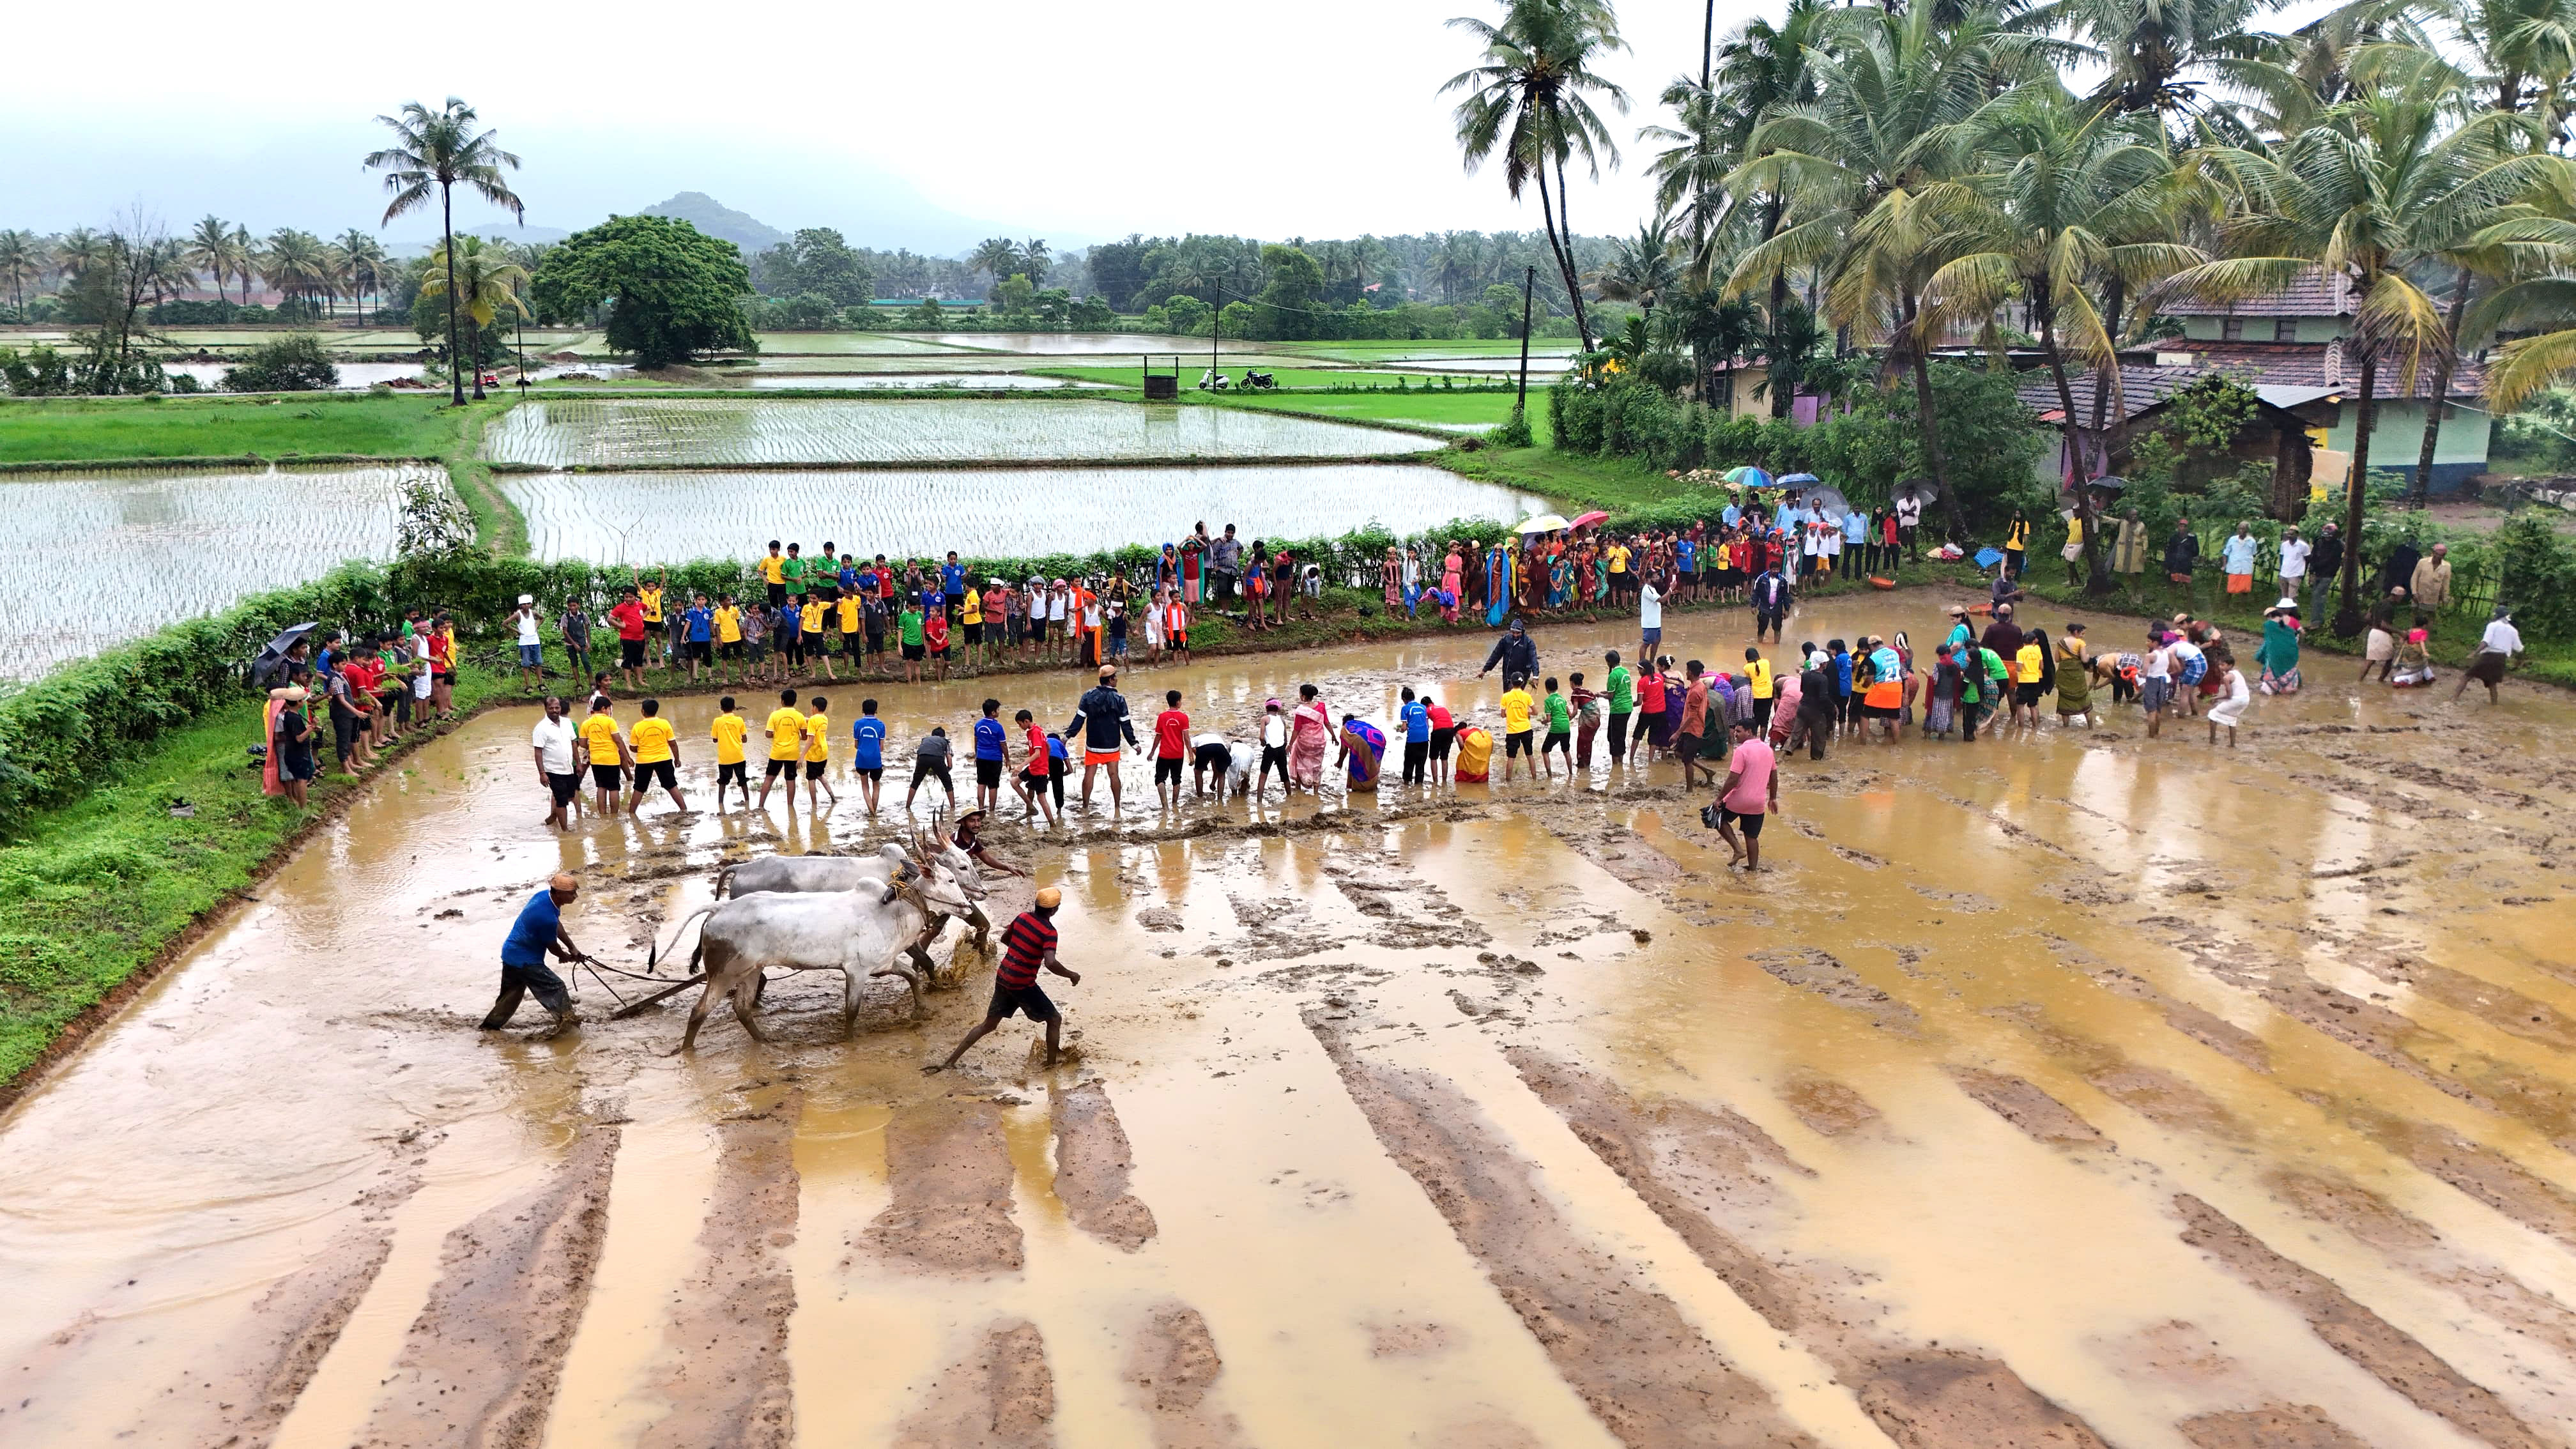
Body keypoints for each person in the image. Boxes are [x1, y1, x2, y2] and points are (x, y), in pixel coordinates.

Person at [926, 887, 1080, 1073]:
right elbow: (1050, 962)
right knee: (1055, 1019)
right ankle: (1051, 1065)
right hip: (1022, 984)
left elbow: (1005, 939)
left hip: (1004, 977)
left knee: (988, 1025)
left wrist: (1020, 951)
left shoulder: (1022, 917)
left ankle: (950, 1061)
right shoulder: (1049, 932)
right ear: (1055, 910)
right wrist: (1071, 975)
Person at [482, 873, 591, 1037]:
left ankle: (490, 1027)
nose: (575, 896)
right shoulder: (545, 917)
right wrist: (564, 956)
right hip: (526, 960)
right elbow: (553, 947)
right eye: (572, 893)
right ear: (559, 893)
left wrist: (572, 948)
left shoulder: (544, 898)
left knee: (512, 994)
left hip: (511, 953)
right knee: (556, 987)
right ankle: (569, 1026)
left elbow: (556, 924)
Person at [1066, 666, 1140, 813]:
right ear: (1111, 680)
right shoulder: (1119, 699)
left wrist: (1067, 736)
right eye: (1116, 677)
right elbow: (1125, 724)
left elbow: (1079, 719)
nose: (1117, 679)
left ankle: (1085, 806)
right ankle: (1117, 807)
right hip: (1112, 745)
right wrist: (1134, 744)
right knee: (1114, 775)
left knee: (1089, 774)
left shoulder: (1088, 696)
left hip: (1093, 744)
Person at [1712, 719, 1779, 870]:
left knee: (1715, 817)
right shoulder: (1768, 750)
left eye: (1739, 731)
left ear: (1749, 732)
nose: (1735, 734)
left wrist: (1719, 798)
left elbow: (1733, 779)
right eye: (1735, 731)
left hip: (1739, 799)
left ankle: (1737, 849)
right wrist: (1773, 798)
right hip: (1758, 802)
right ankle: (1753, 870)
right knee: (1751, 836)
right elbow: (1774, 776)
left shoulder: (1741, 751)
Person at [2458, 605, 2522, 703]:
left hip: (2488, 657)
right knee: (2492, 684)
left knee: (2466, 677)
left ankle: (2453, 699)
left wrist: (2474, 653)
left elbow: (2486, 642)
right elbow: (2519, 648)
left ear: (2497, 616)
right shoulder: (2513, 631)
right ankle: (2494, 706)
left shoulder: (2493, 626)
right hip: (2501, 659)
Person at [757, 689, 806, 811]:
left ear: (782, 701)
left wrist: (778, 734)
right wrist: (795, 736)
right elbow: (804, 737)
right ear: (795, 701)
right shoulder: (799, 716)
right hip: (792, 753)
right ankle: (790, 807)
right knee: (790, 779)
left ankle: (761, 806)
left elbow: (768, 734)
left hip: (777, 753)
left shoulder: (774, 715)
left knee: (769, 778)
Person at [578, 697, 628, 815]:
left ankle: (602, 814)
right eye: (609, 709)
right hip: (611, 759)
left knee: (601, 787)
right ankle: (614, 815)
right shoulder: (610, 721)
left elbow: (582, 743)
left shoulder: (586, 723)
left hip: (596, 760)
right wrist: (627, 757)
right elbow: (618, 740)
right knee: (614, 788)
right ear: (603, 709)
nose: (610, 712)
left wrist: (593, 746)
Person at [1012, 710, 1061, 826]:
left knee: (1041, 798)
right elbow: (1048, 747)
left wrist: (1021, 766)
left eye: (1020, 724)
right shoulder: (1036, 731)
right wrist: (1047, 764)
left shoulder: (1035, 733)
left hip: (1038, 769)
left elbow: (1037, 753)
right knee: (1015, 783)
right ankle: (1031, 808)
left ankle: (1052, 824)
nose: (1020, 727)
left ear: (1026, 721)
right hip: (1035, 768)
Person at [271, 684, 316, 809]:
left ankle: (300, 803)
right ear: (298, 702)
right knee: (302, 780)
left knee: (297, 779)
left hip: (291, 753)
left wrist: (308, 728)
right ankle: (303, 807)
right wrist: (312, 728)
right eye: (302, 700)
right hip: (299, 753)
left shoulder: (288, 715)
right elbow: (299, 738)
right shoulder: (295, 718)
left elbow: (295, 733)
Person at [1289, 684, 1332, 792]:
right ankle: (1316, 792)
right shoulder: (1321, 706)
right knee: (1317, 765)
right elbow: (1327, 723)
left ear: (1303, 696)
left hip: (1305, 743)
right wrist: (1334, 736)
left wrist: (1290, 745)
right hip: (1319, 743)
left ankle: (1298, 788)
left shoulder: (1301, 711)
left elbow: (1297, 730)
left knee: (1299, 761)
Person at [710, 696, 751, 809]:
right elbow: (745, 739)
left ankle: (720, 804)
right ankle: (748, 802)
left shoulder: (717, 721)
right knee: (742, 780)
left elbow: (714, 739)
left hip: (724, 758)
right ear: (734, 707)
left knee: (722, 781)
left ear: (721, 708)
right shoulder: (739, 720)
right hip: (738, 756)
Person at [1153, 689, 1191, 808]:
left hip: (1164, 754)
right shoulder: (1184, 717)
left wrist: (1152, 752)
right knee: (1176, 780)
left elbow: (1158, 736)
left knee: (1160, 779)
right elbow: (1187, 738)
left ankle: (1165, 806)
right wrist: (1191, 754)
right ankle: (1175, 805)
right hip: (1178, 754)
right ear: (1178, 702)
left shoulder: (1162, 717)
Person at [797, 695, 836, 811]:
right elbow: (813, 721)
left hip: (814, 754)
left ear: (815, 707)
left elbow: (810, 740)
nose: (811, 709)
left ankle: (814, 805)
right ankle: (833, 797)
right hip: (823, 752)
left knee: (811, 779)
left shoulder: (814, 720)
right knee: (820, 775)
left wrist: (802, 756)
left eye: (812, 707)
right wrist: (805, 719)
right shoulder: (824, 718)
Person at [2257, 603, 2303, 695]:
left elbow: (2264, 651)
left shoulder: (2271, 629)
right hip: (2289, 674)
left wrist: (2259, 657)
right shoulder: (2290, 630)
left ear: (2270, 617)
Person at [608, 588, 649, 691]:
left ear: (636, 597)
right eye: (626, 597)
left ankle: (640, 680)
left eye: (631, 597)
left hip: (640, 637)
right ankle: (628, 683)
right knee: (628, 660)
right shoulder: (620, 608)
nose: (628, 599)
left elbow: (648, 609)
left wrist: (642, 618)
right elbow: (610, 619)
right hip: (627, 639)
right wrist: (620, 626)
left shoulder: (640, 605)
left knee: (639, 660)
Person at [1497, 677, 1535, 781]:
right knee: (1530, 755)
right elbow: (1536, 712)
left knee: (1511, 758)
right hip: (1526, 729)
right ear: (1522, 683)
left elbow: (1502, 715)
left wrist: (1510, 713)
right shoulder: (1527, 696)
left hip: (1512, 731)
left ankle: (1508, 782)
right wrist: (1527, 713)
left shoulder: (1506, 696)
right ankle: (1535, 779)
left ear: (1511, 683)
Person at [2206, 657, 2250, 747]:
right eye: (2219, 665)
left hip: (2237, 700)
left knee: (2213, 715)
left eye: (2223, 665)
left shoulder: (2227, 677)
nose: (2220, 667)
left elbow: (2229, 695)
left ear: (2230, 666)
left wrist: (2217, 698)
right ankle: (2232, 745)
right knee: (2232, 719)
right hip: (2246, 700)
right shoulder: (2237, 672)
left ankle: (2212, 741)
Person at [1337, 713, 1387, 792]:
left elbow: (1344, 749)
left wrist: (1340, 763)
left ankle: (1359, 788)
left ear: (1344, 722)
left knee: (1358, 763)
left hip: (1362, 741)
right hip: (1379, 739)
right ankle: (1372, 786)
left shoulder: (1344, 728)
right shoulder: (1359, 724)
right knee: (1372, 763)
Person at [2054, 624, 2094, 725]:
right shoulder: (2081, 643)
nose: (2083, 636)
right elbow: (2085, 660)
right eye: (2082, 633)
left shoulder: (2060, 642)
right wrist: (2088, 656)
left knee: (2064, 698)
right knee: (2084, 697)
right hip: (2077, 675)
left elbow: (2057, 660)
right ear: (2076, 632)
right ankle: (2090, 727)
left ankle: (2066, 727)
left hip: (2064, 674)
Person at [1479, 617, 1538, 684]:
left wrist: (1535, 676)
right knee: (1507, 694)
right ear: (1510, 632)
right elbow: (1496, 655)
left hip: (1522, 675)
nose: (1515, 635)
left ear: (1522, 632)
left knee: (1516, 693)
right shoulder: (1506, 640)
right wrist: (1485, 670)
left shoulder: (1528, 642)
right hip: (1507, 674)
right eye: (1513, 633)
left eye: (1518, 633)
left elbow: (1534, 659)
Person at [1602, 650, 1635, 766]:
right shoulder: (1625, 671)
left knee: (1613, 738)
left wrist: (1600, 695)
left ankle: (1616, 765)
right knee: (1621, 735)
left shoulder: (1613, 675)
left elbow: (1611, 696)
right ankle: (1620, 761)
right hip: (1628, 708)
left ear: (1610, 662)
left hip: (1618, 709)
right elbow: (1620, 690)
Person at [1255, 699, 1292, 798]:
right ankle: (1289, 796)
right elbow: (1285, 739)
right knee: (1285, 775)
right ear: (1278, 709)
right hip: (1281, 749)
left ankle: (1259, 801)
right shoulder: (1282, 720)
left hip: (1270, 749)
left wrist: (1263, 744)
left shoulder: (1265, 719)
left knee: (1263, 776)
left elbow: (1262, 737)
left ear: (1266, 708)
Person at [2308, 522, 2344, 621]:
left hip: (2328, 574)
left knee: (2318, 595)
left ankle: (2316, 621)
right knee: (2316, 596)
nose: (2327, 539)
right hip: (2317, 573)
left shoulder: (2338, 546)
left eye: (2330, 537)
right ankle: (2316, 619)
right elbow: (2313, 556)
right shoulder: (2319, 543)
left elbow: (2331, 560)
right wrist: (2311, 571)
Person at [509, 594, 544, 693]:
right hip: (524, 643)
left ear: (531, 604)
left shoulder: (533, 613)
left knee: (538, 663)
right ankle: (528, 686)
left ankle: (541, 684)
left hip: (535, 641)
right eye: (524, 604)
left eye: (528, 603)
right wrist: (517, 631)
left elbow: (542, 618)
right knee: (526, 664)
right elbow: (505, 623)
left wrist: (536, 626)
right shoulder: (518, 615)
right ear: (521, 605)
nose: (526, 606)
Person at [1399, 686, 1433, 786]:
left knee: (1409, 763)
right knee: (1420, 764)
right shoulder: (1423, 707)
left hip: (1412, 740)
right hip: (1424, 739)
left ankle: (1407, 785)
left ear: (1404, 699)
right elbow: (1427, 725)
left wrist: (1400, 730)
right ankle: (1419, 787)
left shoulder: (1405, 708)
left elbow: (1404, 728)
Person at [2411, 542, 2453, 618]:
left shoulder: (2447, 566)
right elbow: (2415, 577)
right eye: (2436, 554)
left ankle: (2426, 630)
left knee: (2429, 617)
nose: (2438, 557)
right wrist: (2414, 593)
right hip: (2419, 595)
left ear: (2443, 556)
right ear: (2433, 553)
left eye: (2441, 555)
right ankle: (2415, 629)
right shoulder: (2422, 562)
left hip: (2433, 597)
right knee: (2415, 615)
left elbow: (2446, 584)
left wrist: (2444, 598)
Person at [2164, 516, 2200, 588]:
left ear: (2187, 528)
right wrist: (2168, 566)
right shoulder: (2174, 538)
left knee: (2188, 586)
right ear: (2178, 527)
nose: (2182, 528)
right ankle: (2173, 599)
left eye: (2184, 526)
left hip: (2186, 565)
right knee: (2174, 585)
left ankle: (2189, 599)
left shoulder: (2191, 538)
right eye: (2181, 526)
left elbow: (2196, 552)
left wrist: (2193, 540)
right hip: (2175, 565)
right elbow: (2169, 552)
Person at [1637, 574, 1663, 663]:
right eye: (1654, 577)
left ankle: (1651, 662)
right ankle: (1642, 663)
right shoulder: (1647, 589)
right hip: (1650, 622)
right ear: (1648, 579)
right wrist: (1670, 589)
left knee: (1656, 642)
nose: (1657, 578)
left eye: (1657, 576)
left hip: (1656, 622)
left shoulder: (1653, 588)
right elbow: (1661, 600)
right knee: (1646, 644)